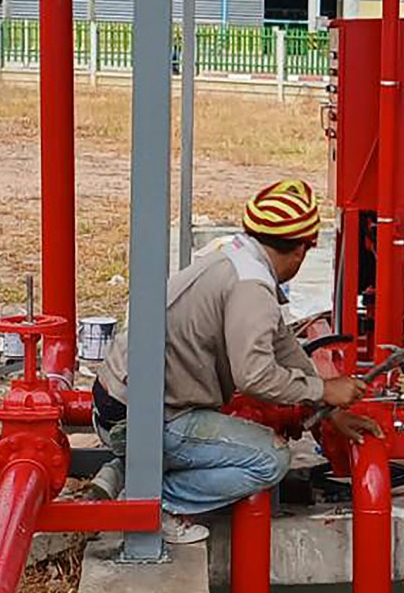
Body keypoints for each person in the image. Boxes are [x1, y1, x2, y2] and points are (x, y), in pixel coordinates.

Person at [87, 179, 380, 544]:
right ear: (302, 250)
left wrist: (329, 409)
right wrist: (322, 389)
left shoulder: (236, 256)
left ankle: (125, 472)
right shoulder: (252, 289)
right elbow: (255, 377)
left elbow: (283, 344)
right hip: (141, 420)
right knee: (270, 458)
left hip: (120, 402)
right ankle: (156, 503)